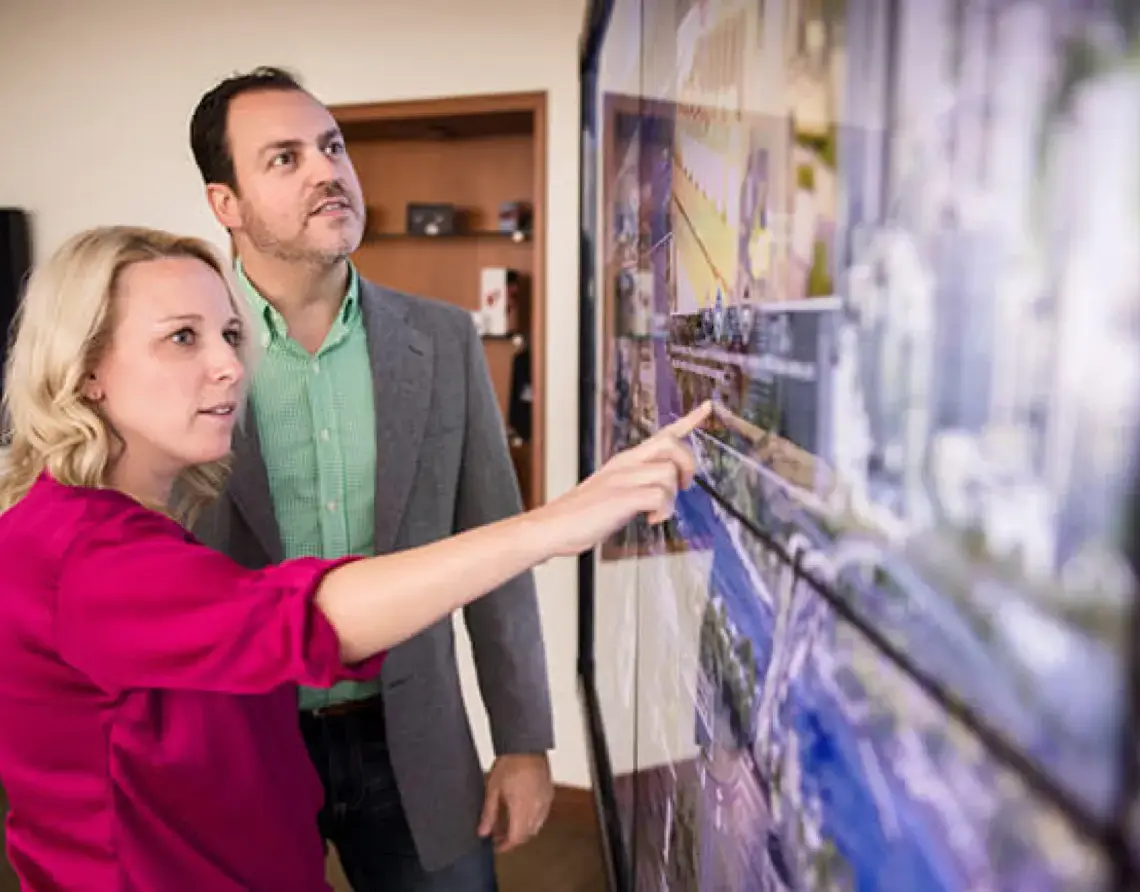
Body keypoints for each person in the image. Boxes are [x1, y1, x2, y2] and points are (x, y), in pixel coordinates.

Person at [0, 224, 709, 891]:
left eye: (230, 334)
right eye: (182, 338)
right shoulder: (77, 555)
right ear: (87, 370)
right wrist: (553, 525)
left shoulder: (119, 524)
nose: (228, 366)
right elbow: (304, 617)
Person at [184, 66, 548, 890]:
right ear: (225, 204)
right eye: (283, 158)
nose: (326, 170)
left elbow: (496, 553)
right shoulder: (181, 356)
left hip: (415, 738)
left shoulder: (447, 342)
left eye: (332, 146)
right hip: (242, 744)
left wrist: (523, 739)